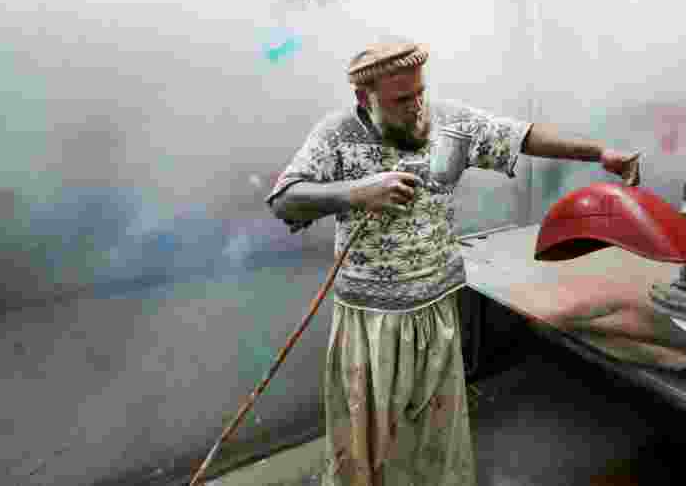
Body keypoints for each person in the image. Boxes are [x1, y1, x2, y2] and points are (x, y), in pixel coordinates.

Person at [266, 41, 640, 486]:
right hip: (372, 319)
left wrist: (600, 153)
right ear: (365, 98)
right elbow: (284, 199)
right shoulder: (337, 134)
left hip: (436, 305)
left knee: (434, 431)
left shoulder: (446, 123)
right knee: (373, 433)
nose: (416, 106)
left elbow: (518, 134)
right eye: (401, 99)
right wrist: (357, 191)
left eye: (419, 93)